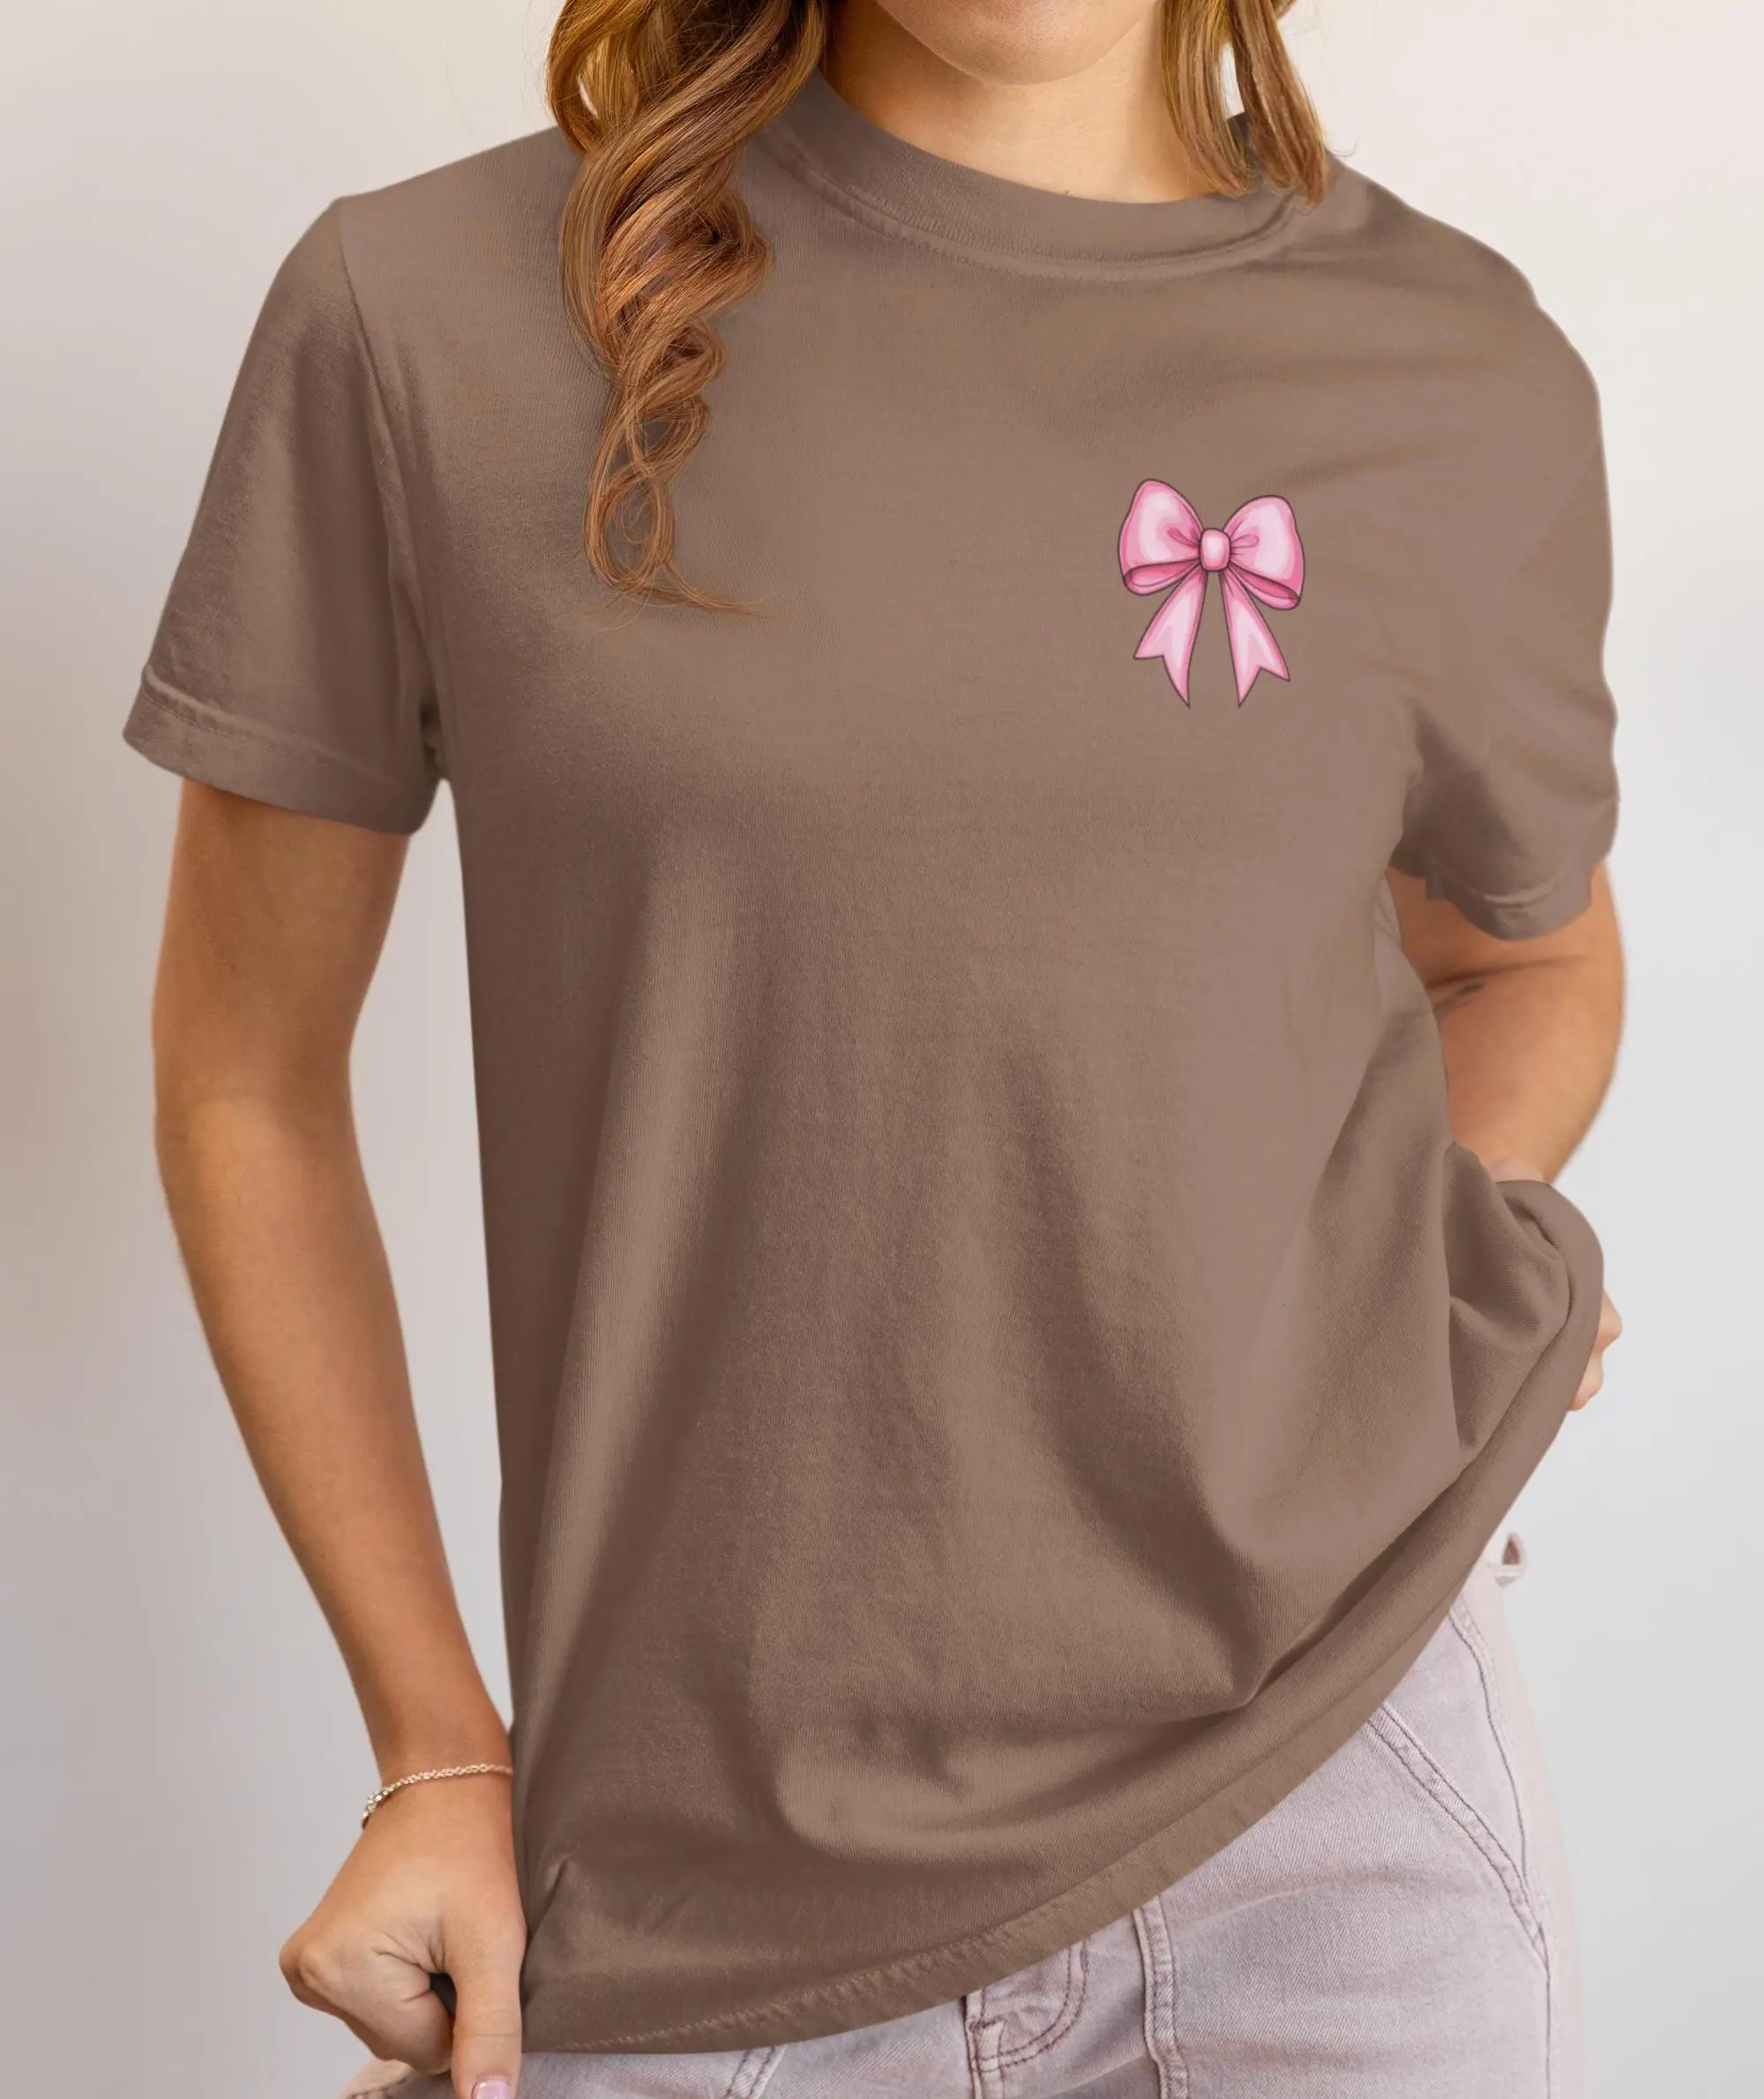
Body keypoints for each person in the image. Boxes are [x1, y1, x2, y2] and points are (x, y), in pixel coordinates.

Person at [130, 2, 1626, 2094]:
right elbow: (246, 1077)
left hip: (1346, 1815)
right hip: (702, 1899)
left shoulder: (1455, 369)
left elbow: (1525, 957)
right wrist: (434, 1750)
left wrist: (1413, 1246)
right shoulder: (421, 314)